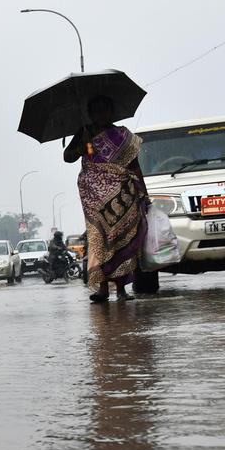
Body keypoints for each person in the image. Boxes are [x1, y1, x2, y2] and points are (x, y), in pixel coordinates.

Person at [64, 95, 149, 303]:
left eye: (105, 110)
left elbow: (134, 165)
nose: (101, 114)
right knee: (100, 240)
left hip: (121, 196)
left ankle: (121, 289)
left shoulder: (122, 135)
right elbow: (68, 157)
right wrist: (82, 146)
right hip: (94, 198)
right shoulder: (84, 132)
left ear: (111, 112)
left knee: (120, 240)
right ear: (91, 113)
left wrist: (144, 193)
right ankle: (102, 289)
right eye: (96, 110)